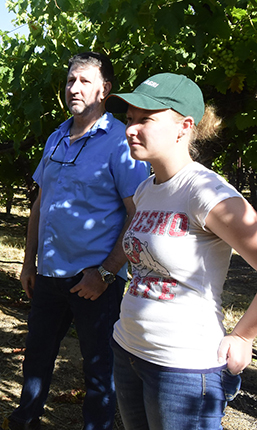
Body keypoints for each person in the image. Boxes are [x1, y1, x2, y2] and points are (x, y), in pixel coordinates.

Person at [3, 52, 150, 430]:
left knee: (99, 368)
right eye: (70, 80)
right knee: (36, 357)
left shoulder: (121, 142)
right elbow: (40, 205)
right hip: (49, 275)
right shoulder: (55, 138)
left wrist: (104, 273)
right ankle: (26, 419)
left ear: (105, 89)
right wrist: (27, 263)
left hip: (94, 281)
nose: (74, 88)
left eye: (84, 80)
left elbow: (137, 215)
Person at [106, 72, 256, 429]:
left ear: (183, 126)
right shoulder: (146, 189)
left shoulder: (206, 191)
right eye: (129, 119)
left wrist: (243, 335)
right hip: (128, 351)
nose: (130, 129)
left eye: (145, 119)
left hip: (184, 368)